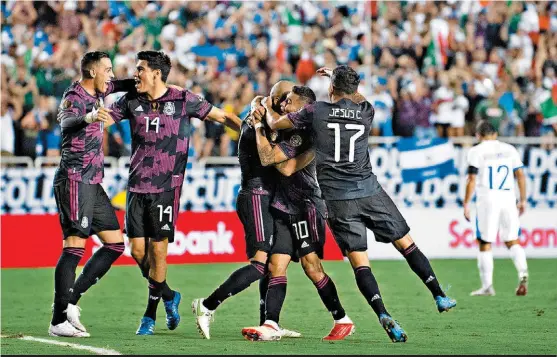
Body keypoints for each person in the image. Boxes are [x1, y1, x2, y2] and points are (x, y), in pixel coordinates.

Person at [264, 65, 457, 343]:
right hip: (369, 191)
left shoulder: (316, 111)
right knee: (407, 245)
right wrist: (340, 79)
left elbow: (275, 123)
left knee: (361, 265)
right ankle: (439, 294)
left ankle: (382, 313)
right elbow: (356, 96)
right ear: (354, 89)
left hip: (338, 200)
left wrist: (262, 108)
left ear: (331, 88)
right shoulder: (366, 111)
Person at [108, 51, 242, 335]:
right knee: (137, 251)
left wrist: (250, 135)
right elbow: (102, 120)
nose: (136, 74)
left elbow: (222, 116)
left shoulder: (183, 99)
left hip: (167, 187)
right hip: (135, 185)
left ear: (156, 73)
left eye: (140, 69)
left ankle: (149, 316)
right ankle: (170, 295)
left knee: (158, 253)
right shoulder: (131, 99)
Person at [192, 81, 309, 340]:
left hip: (270, 196)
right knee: (258, 265)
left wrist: (259, 103)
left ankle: (268, 324)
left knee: (273, 266)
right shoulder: (262, 119)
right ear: (277, 101)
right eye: (286, 100)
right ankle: (207, 305)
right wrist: (260, 106)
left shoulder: (261, 111)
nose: (289, 105)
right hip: (256, 194)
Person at [241, 85, 355, 342]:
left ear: (303, 107)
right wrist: (259, 103)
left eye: (289, 102)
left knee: (311, 267)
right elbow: (264, 102)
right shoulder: (286, 126)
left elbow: (282, 167)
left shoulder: (306, 134)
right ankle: (271, 324)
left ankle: (342, 319)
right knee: (275, 265)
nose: (284, 105)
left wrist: (260, 125)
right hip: (283, 205)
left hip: (305, 206)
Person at [50, 51, 135, 337]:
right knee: (74, 247)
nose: (111, 75)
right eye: (107, 70)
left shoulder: (100, 87)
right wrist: (88, 117)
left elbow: (123, 84)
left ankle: (71, 301)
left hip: (93, 182)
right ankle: (58, 319)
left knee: (114, 243)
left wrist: (146, 81)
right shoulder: (74, 96)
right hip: (74, 180)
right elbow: (66, 122)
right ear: (91, 73)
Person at [463, 120, 529, 296]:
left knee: (485, 243)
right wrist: (522, 200)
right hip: (508, 197)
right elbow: (520, 175)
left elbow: (471, 179)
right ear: (495, 134)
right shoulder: (509, 149)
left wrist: (466, 202)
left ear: (478, 135)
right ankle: (523, 273)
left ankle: (487, 286)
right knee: (512, 240)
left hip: (488, 199)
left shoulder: (476, 151)